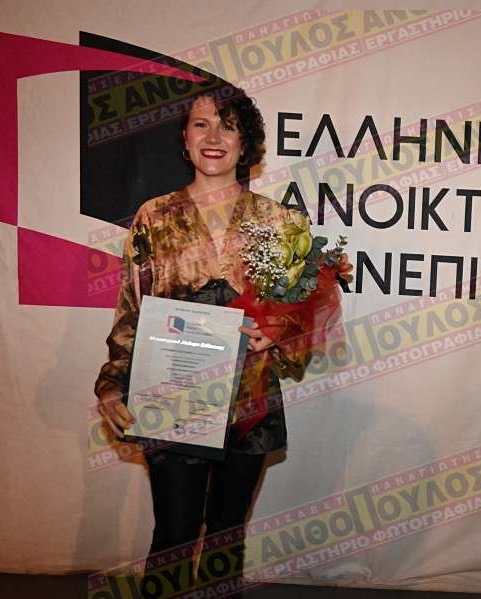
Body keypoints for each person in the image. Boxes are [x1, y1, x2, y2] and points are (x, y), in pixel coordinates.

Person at [94, 86, 350, 596]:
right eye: (201, 124)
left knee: (225, 540)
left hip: (249, 398)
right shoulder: (154, 216)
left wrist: (275, 332)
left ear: (245, 143)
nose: (214, 136)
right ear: (185, 141)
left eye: (228, 126)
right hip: (172, 395)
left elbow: (303, 310)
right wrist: (112, 384)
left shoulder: (279, 222)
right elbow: (131, 308)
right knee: (174, 533)